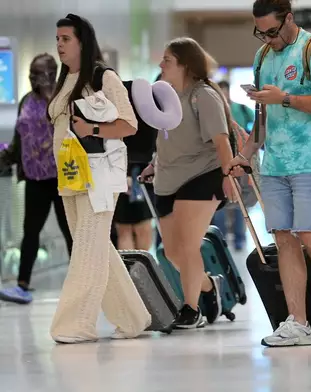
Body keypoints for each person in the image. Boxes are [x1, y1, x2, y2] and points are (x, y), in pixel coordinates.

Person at [225, 0, 311, 347]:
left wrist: (284, 98)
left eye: (273, 31)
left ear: (289, 18)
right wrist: (243, 155)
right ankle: (297, 322)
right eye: (261, 32)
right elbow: (262, 119)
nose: (268, 39)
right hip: (275, 163)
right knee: (284, 237)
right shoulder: (262, 57)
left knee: (310, 233)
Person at [47, 14, 151, 343]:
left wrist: (91, 129)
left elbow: (129, 124)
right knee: (93, 247)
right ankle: (134, 318)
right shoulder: (66, 79)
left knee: (87, 251)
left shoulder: (104, 77)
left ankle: (76, 323)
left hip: (101, 175)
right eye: (58, 39)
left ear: (82, 41)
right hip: (70, 173)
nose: (60, 45)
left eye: (66, 39)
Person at [139, 37, 233, 329]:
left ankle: (191, 309)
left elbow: (221, 139)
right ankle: (207, 286)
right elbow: (167, 140)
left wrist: (229, 175)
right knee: (172, 252)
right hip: (168, 179)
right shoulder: (167, 98)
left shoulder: (203, 95)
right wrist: (155, 163)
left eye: (167, 60)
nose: (160, 64)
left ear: (185, 65)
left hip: (202, 176)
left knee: (189, 246)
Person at [0, 54, 73, 305]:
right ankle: (22, 285)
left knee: (71, 232)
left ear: (52, 74)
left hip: (64, 178)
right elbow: (20, 141)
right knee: (30, 232)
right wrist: (6, 158)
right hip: (35, 178)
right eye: (31, 73)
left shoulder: (65, 100)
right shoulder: (26, 102)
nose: (32, 78)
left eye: (37, 73)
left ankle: (83, 283)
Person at [112, 79, 158, 251]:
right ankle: (141, 272)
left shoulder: (116, 117)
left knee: (125, 230)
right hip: (141, 175)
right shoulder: (148, 117)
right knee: (142, 229)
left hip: (123, 175)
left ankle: (130, 274)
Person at [211, 80, 254, 252]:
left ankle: (239, 239)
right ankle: (221, 239)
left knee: (238, 201)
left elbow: (256, 126)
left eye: (224, 92)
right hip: (219, 162)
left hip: (241, 161)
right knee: (221, 203)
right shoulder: (213, 112)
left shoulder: (241, 109)